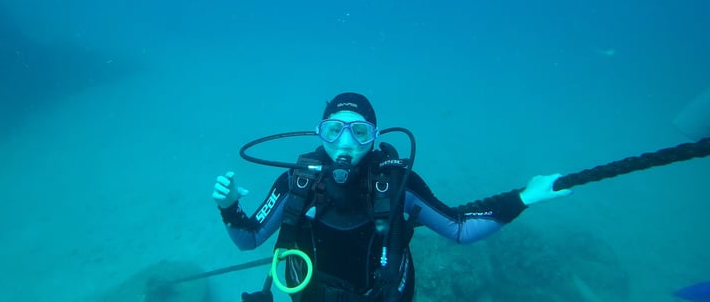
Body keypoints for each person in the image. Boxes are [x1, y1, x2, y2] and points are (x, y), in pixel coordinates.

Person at [212, 92, 571, 302]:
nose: (347, 143)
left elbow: (459, 230)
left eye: (360, 132)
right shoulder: (297, 182)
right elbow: (250, 238)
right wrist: (230, 209)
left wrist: (526, 196)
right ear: (320, 133)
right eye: (335, 130)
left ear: (374, 136)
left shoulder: (396, 182)